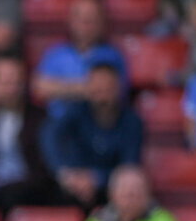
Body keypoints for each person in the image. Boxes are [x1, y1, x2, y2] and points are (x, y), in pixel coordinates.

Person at [41, 63, 143, 210]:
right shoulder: (75, 112)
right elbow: (49, 136)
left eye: (107, 90)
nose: (102, 97)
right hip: (74, 185)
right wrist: (66, 173)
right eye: (97, 90)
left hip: (110, 190)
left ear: (118, 89)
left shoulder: (131, 122)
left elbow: (129, 166)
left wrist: (96, 178)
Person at [0, 55, 54, 213]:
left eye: (14, 82)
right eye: (4, 83)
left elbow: (45, 166)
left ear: (23, 83)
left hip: (29, 188)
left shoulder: (40, 117)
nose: (10, 89)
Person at [31, 0, 127, 122]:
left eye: (91, 19)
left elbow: (112, 92)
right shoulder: (55, 53)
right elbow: (39, 88)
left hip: (97, 127)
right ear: (70, 21)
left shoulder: (112, 55)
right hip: (58, 124)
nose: (85, 25)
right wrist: (84, 89)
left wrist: (58, 88)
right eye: (81, 19)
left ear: (102, 23)